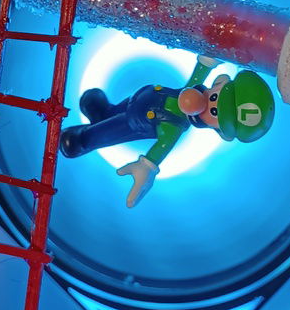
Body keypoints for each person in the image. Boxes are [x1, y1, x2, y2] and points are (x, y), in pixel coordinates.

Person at [60, 55, 275, 207]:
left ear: (217, 129)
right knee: (114, 114)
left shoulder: (174, 127)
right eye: (214, 97)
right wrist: (211, 55)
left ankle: (83, 140)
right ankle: (103, 113)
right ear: (218, 84)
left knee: (111, 130)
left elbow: (163, 146)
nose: (205, 103)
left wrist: (146, 168)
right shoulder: (188, 90)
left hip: (135, 122)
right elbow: (200, 71)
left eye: (215, 111)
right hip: (137, 101)